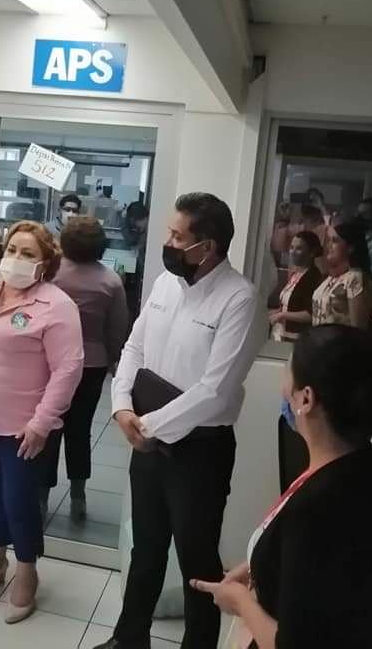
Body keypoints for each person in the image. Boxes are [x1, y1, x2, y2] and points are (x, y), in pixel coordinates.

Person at [93, 193, 259, 649]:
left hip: (200, 450)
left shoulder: (239, 298)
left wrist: (147, 426)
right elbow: (134, 348)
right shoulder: (167, 283)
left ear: (207, 247)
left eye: (177, 236)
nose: (167, 242)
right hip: (147, 440)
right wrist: (122, 407)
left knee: (196, 560)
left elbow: (215, 390)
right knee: (146, 546)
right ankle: (129, 639)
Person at [191, 325, 372, 649]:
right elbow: (324, 572)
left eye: (287, 373)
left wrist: (240, 602)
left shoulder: (318, 505)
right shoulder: (371, 468)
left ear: (306, 398)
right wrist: (263, 566)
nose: (283, 387)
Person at [0, 220, 84, 624]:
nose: (15, 259)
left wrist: (42, 422)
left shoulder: (57, 305)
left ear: (45, 263)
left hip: (24, 424)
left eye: (27, 253)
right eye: (11, 250)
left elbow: (68, 369)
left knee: (19, 500)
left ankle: (27, 569)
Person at [42, 217, 129, 522]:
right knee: (79, 430)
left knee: (49, 428)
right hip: (91, 365)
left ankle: (41, 497)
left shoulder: (51, 273)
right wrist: (114, 359)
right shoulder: (111, 281)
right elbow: (117, 329)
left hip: (50, 362)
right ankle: (78, 496)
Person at [311, 219, 372, 330]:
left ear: (350, 247)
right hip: (318, 338)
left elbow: (358, 328)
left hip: (339, 339)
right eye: (329, 240)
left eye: (335, 241)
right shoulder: (330, 277)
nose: (329, 245)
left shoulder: (355, 278)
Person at [269, 231, 323, 342]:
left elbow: (311, 314)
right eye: (291, 247)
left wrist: (282, 315)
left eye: (298, 248)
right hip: (280, 333)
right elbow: (289, 304)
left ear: (312, 252)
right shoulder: (295, 274)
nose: (293, 252)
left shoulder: (313, 278)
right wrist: (276, 312)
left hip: (296, 337)